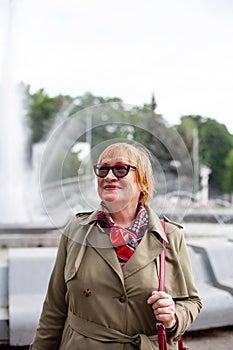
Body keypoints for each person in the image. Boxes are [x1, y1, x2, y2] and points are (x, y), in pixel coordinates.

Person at [30, 142, 202, 350]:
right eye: (103, 169)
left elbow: (192, 302)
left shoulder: (170, 235)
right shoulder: (75, 231)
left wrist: (174, 316)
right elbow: (54, 310)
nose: (109, 176)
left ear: (143, 182)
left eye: (121, 169)